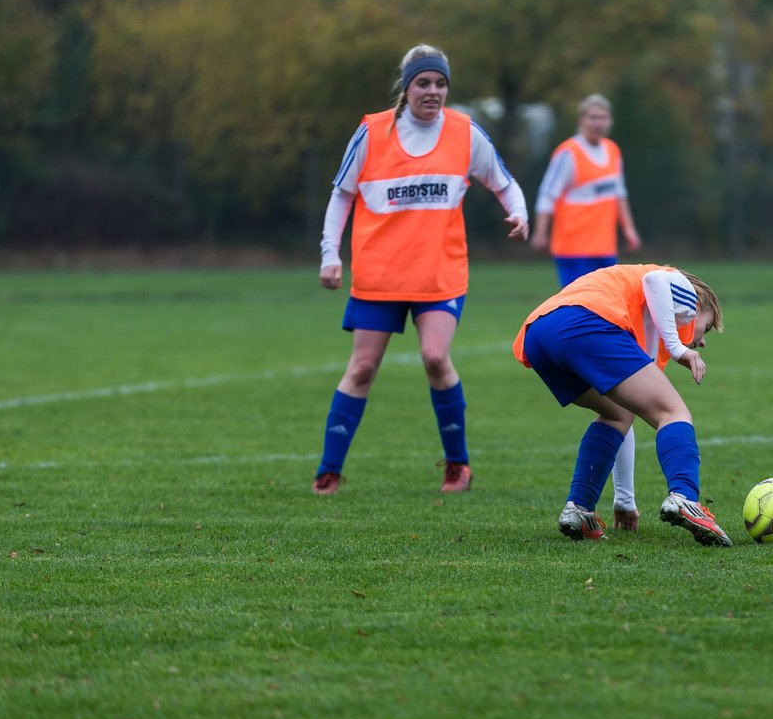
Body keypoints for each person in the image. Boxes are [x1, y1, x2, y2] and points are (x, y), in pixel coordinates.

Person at [313, 43, 530, 496]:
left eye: (441, 83)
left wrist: (520, 214)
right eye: (424, 83)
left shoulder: (464, 133)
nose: (433, 92)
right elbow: (341, 195)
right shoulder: (373, 132)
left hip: (438, 274)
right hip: (380, 275)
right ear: (406, 87)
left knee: (435, 358)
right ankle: (329, 472)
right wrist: (330, 254)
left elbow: (504, 183)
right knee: (362, 369)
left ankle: (457, 467)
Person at [512, 263, 731, 546]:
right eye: (708, 326)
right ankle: (686, 498)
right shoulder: (684, 290)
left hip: (540, 332)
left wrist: (625, 501)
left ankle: (579, 509)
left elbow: (629, 416)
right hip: (586, 322)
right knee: (674, 412)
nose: (702, 341)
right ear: (698, 303)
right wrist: (678, 347)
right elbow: (656, 280)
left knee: (617, 413)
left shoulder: (646, 326)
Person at [530, 94, 644, 529]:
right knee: (582, 318)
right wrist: (541, 231)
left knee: (611, 318)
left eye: (604, 115)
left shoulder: (612, 151)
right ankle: (592, 368)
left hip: (602, 248)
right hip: (573, 250)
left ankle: (601, 370)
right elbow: (547, 193)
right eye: (592, 115)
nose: (599, 121)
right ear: (582, 119)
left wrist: (628, 228)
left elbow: (618, 194)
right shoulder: (568, 153)